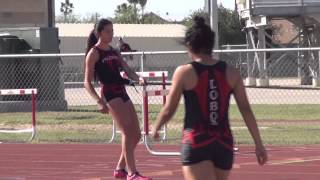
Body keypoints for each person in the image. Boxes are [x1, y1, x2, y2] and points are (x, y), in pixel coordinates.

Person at [151, 16, 267, 180]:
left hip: (197, 141)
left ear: (190, 46)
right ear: (211, 44)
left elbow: (170, 108)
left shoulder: (184, 72)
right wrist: (258, 144)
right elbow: (246, 109)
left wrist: (157, 127)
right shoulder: (232, 72)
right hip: (223, 143)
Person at [84, 18, 152, 180]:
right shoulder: (94, 53)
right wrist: (99, 101)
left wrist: (138, 78)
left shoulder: (114, 51)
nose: (111, 34)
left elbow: (127, 69)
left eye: (112, 31)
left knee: (136, 134)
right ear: (100, 33)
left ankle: (120, 169)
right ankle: (132, 173)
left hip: (121, 91)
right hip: (109, 94)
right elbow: (86, 82)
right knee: (127, 132)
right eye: (108, 31)